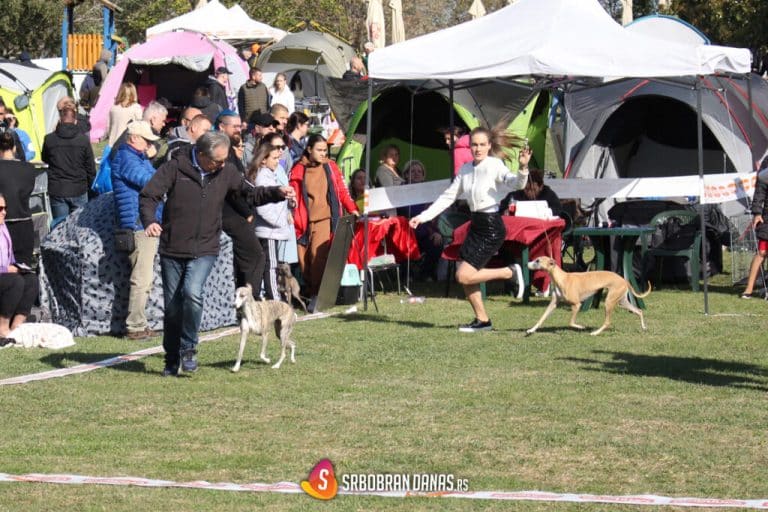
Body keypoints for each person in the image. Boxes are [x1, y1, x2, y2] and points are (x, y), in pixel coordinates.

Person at [139, 131, 294, 376]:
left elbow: (249, 192)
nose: (222, 166)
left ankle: (189, 348)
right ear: (200, 155)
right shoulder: (175, 168)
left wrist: (276, 192)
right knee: (172, 307)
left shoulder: (227, 172)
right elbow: (150, 195)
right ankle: (171, 357)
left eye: (224, 161)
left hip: (205, 247)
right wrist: (149, 220)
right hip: (173, 246)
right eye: (217, 161)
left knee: (192, 292)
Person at [409, 127, 530, 333]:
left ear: (490, 146)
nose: (478, 149)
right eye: (474, 144)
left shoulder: (495, 165)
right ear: (469, 146)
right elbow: (448, 197)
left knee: (464, 276)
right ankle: (482, 320)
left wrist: (523, 168)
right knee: (463, 274)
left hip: (491, 226)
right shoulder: (465, 170)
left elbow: (516, 184)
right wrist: (423, 217)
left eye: (482, 144)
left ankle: (509, 272)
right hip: (475, 224)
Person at [289, 134, 359, 309]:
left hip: (325, 218)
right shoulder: (298, 168)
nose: (322, 154)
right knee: (304, 261)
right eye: (319, 150)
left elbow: (342, 191)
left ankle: (317, 295)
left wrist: (352, 208)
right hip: (303, 222)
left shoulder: (330, 166)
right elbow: (293, 193)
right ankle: (308, 293)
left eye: (325, 151)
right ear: (309, 149)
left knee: (318, 256)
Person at [111, 121, 163, 340]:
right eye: (146, 139)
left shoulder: (135, 157)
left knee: (144, 277)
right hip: (138, 223)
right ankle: (135, 326)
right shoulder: (126, 159)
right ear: (133, 138)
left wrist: (150, 157)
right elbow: (149, 181)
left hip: (142, 222)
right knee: (141, 278)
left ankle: (138, 323)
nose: (150, 143)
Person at [251, 142, 295, 300]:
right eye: (275, 158)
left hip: (274, 230)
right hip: (269, 230)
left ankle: (274, 295)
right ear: (263, 159)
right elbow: (262, 207)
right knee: (271, 266)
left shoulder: (272, 174)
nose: (278, 161)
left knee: (272, 264)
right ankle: (274, 297)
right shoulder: (262, 177)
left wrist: (290, 203)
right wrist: (279, 222)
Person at [41, 108, 96, 225]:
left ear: (60, 120)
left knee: (59, 227)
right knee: (80, 227)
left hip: (58, 188)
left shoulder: (49, 139)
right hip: (78, 188)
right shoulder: (83, 140)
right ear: (75, 121)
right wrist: (92, 186)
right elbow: (90, 167)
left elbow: (45, 158)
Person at [0, 193, 39, 343]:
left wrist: (18, 267)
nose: (4, 212)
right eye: (0, 208)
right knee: (15, 282)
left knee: (31, 280)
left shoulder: (3, 228)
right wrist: (6, 269)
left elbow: (10, 258)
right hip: (4, 275)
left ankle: (16, 326)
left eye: (5, 208)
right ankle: (3, 328)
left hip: (5, 274)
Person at [0, 131, 37, 265]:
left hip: (4, 223)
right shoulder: (29, 168)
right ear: (15, 147)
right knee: (24, 268)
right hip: (24, 224)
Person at [741, 174, 768, 298]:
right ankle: (749, 289)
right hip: (766, 221)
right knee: (762, 252)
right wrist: (757, 213)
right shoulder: (764, 176)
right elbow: (758, 198)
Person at [107, 83, 142, 147]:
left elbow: (108, 127)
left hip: (112, 143)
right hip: (127, 145)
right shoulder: (136, 108)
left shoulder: (113, 108)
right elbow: (139, 128)